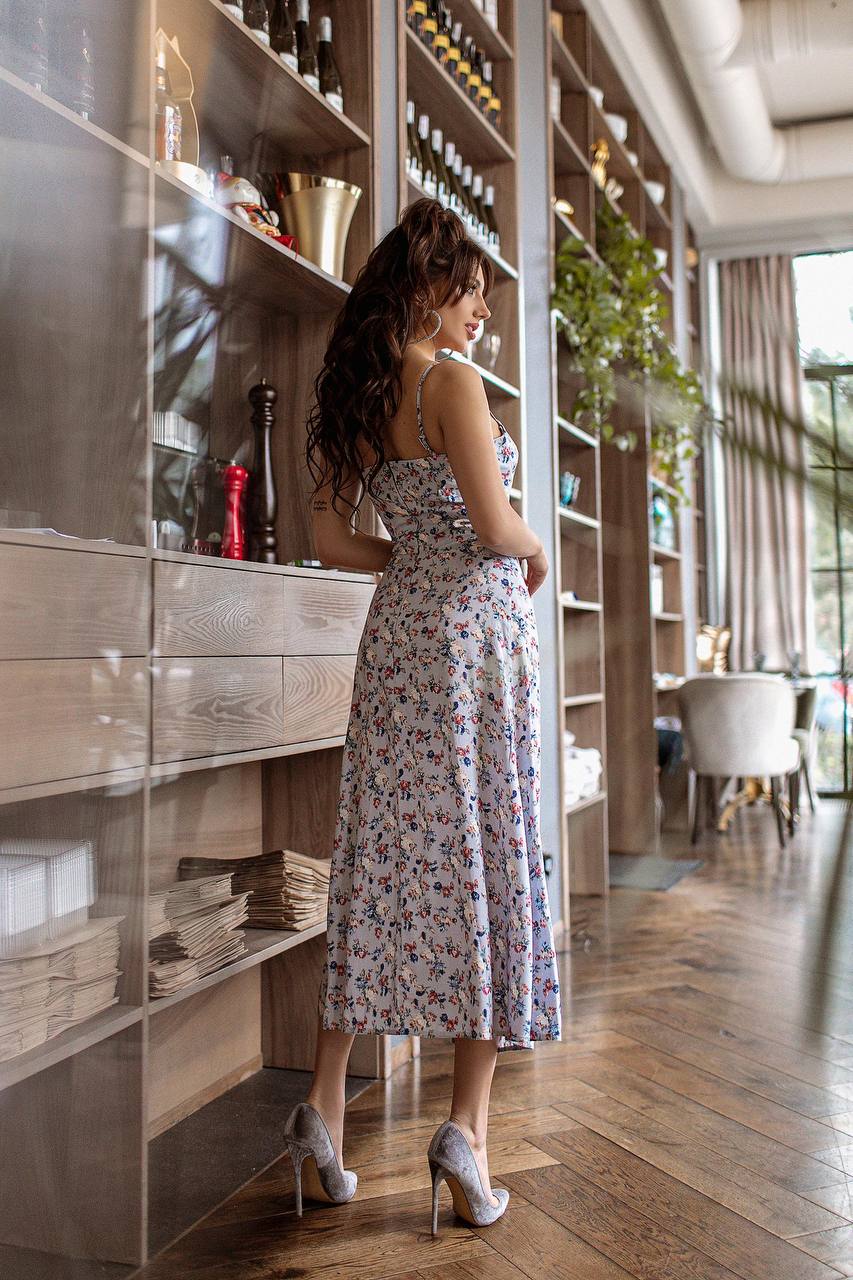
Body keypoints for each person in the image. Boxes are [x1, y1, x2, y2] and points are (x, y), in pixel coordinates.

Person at [284, 197, 561, 1236]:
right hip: (474, 643)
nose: (481, 309)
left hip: (397, 639)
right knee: (483, 851)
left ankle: (321, 1109)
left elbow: (331, 542)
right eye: (470, 289)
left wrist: (410, 555)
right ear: (427, 286)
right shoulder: (451, 382)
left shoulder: (356, 395)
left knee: (378, 856)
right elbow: (492, 524)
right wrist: (535, 546)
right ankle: (465, 1134)